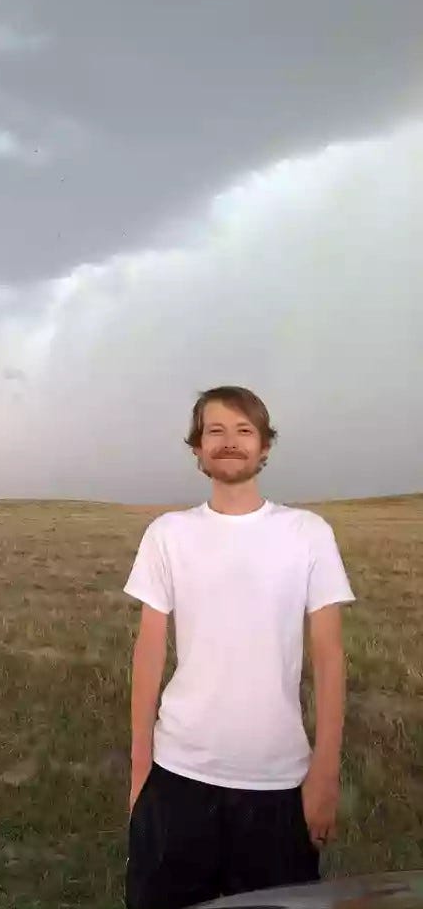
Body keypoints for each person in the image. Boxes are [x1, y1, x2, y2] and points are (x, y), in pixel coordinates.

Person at [124, 386, 355, 909]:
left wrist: (324, 773)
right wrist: (141, 771)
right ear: (197, 449)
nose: (230, 442)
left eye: (244, 430)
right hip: (178, 774)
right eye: (216, 431)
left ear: (265, 447)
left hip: (278, 782)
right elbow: (149, 652)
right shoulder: (168, 534)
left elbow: (329, 656)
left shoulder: (307, 533)